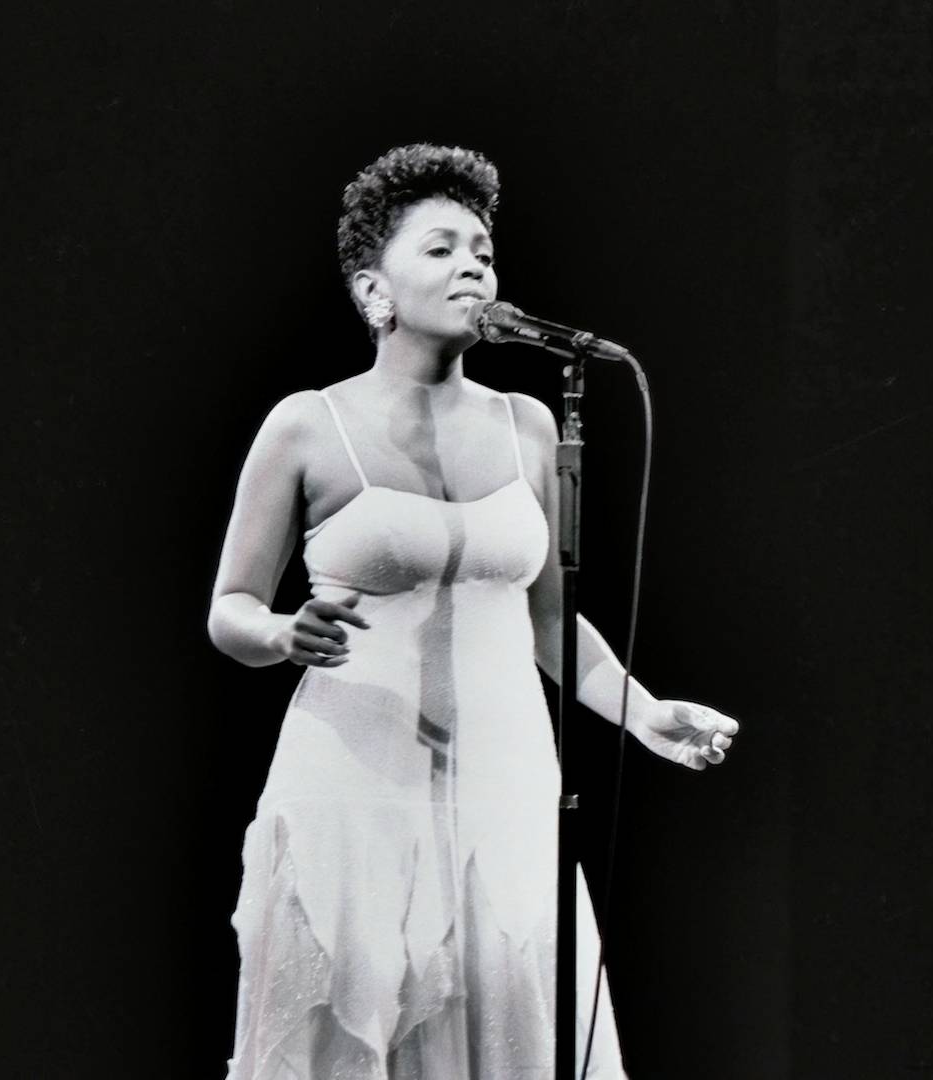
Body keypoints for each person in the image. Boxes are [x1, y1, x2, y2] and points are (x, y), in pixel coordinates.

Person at [208, 144, 740, 1080]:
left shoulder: (531, 426)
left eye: (484, 251)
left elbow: (548, 623)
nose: (474, 267)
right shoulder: (307, 424)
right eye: (442, 248)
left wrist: (646, 713)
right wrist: (283, 633)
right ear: (374, 289)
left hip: (503, 785)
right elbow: (230, 607)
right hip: (354, 785)